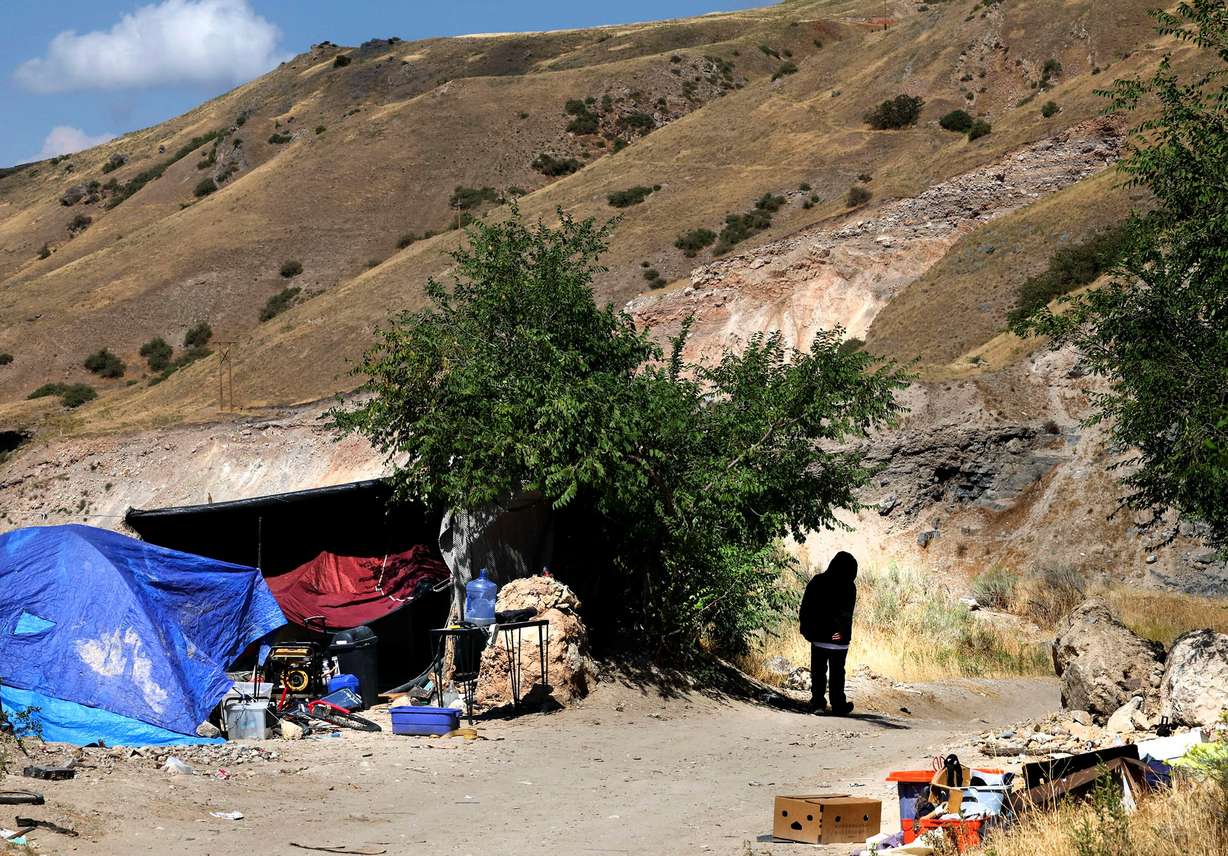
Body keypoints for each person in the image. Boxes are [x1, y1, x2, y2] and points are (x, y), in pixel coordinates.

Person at [798, 551, 858, 715]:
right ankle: (838, 705)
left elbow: (806, 607)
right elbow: (847, 614)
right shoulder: (850, 586)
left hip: (820, 637)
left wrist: (806, 629)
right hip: (840, 639)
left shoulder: (818, 581)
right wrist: (840, 633)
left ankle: (818, 703)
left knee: (818, 671)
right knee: (838, 672)